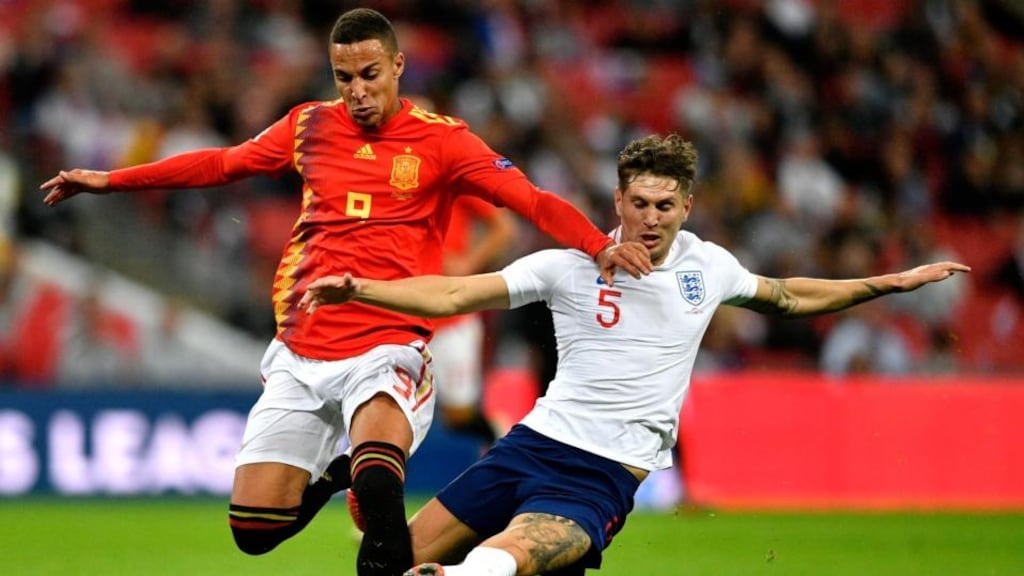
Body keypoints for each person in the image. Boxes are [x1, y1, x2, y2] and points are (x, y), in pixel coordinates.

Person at [38, 8, 650, 576]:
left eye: (369, 74)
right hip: (301, 351)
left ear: (398, 66)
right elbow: (224, 163)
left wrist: (599, 245)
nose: (356, 90)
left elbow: (531, 200)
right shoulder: (308, 125)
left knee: (381, 483)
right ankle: (335, 473)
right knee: (253, 531)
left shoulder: (443, 141)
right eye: (343, 77)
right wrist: (111, 181)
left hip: (388, 345)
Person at [299, 133, 970, 576]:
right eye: (640, 202)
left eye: (666, 205)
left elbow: (788, 296)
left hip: (601, 474)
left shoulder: (708, 269)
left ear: (688, 206)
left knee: (503, 560)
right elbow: (452, 292)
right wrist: (364, 287)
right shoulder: (567, 266)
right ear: (618, 200)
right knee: (384, 562)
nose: (652, 218)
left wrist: (889, 283)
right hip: (530, 446)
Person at [432, 196, 516, 445]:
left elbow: (505, 227)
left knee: (458, 416)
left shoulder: (451, 175)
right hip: (400, 316)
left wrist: (467, 263)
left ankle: (502, 439)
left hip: (451, 317)